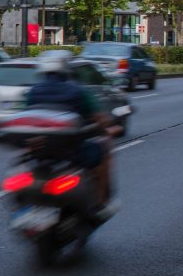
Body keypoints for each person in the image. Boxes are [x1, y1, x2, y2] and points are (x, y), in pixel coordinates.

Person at [24, 51, 116, 212]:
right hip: (71, 152)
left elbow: (25, 117)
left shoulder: (33, 92)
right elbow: (98, 118)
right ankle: (100, 202)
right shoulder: (77, 91)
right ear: (65, 70)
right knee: (103, 153)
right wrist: (107, 128)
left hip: (40, 152)